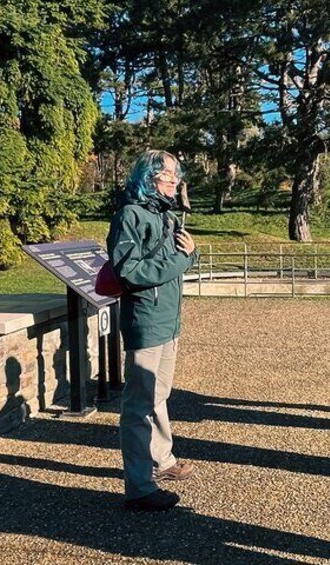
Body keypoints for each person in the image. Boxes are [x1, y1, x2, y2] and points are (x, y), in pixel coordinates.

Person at [106, 150, 199, 512]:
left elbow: (187, 254)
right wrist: (184, 258)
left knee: (159, 394)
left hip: (168, 320)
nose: (174, 182)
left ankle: (163, 459)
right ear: (147, 178)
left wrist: (191, 255)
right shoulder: (130, 215)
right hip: (146, 320)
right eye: (166, 176)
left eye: (176, 175)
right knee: (139, 405)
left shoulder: (167, 214)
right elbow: (130, 271)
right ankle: (140, 486)